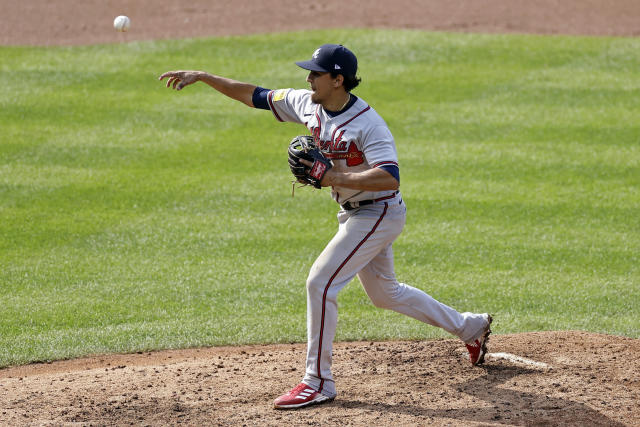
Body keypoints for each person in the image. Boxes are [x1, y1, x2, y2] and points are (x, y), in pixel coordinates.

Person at [159, 43, 492, 410]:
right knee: (385, 294)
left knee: (320, 282)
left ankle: (317, 381)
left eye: (316, 73)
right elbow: (255, 95)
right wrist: (204, 77)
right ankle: (469, 327)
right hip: (353, 213)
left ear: (338, 80)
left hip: (378, 212)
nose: (308, 78)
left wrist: (334, 174)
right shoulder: (307, 103)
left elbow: (390, 177)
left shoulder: (368, 123)